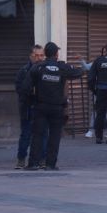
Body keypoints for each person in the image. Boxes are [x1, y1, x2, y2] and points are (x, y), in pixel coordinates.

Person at [23, 42, 84, 170]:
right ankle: (50, 164)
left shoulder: (38, 67)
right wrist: (85, 66)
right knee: (55, 136)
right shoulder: (62, 67)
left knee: (37, 135)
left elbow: (26, 87)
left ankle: (33, 163)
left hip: (41, 106)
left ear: (45, 54)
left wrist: (31, 100)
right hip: (57, 108)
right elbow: (77, 73)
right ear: (56, 54)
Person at [14, 44, 46, 169]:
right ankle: (21, 160)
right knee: (26, 135)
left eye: (41, 55)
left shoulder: (46, 69)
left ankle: (43, 160)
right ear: (31, 56)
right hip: (28, 108)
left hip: (42, 107)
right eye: (36, 55)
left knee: (43, 134)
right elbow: (19, 88)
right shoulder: (24, 71)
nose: (39, 58)